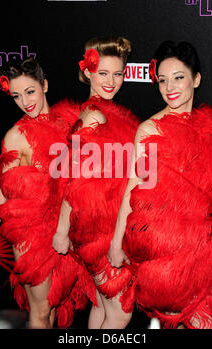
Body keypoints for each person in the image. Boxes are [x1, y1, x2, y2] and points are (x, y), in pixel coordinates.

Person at [108, 40, 212, 329]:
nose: (169, 87)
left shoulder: (211, 128)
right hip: (165, 254)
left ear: (195, 79)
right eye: (162, 80)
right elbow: (134, 188)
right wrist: (116, 241)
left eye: (178, 77)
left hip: (204, 249)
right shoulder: (149, 130)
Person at [0, 57, 90, 329]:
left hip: (62, 228)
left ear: (44, 85)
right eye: (16, 96)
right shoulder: (15, 136)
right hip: (30, 234)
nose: (25, 102)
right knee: (40, 312)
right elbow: (5, 188)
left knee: (53, 310)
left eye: (30, 91)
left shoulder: (67, 124)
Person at [52, 36, 140, 329]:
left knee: (103, 307)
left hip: (101, 226)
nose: (112, 81)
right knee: (121, 312)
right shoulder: (93, 115)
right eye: (103, 73)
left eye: (118, 73)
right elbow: (74, 178)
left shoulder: (106, 111)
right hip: (95, 232)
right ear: (87, 72)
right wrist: (62, 231)